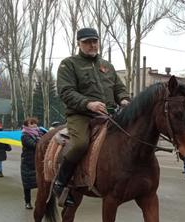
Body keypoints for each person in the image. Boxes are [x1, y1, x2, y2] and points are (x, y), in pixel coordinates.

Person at [55, 27, 130, 207]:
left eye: (94, 41)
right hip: (81, 115)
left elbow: (118, 88)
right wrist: (88, 103)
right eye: (87, 42)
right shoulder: (69, 64)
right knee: (80, 143)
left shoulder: (107, 66)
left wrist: (125, 99)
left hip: (109, 114)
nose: (92, 45)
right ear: (79, 44)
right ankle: (60, 183)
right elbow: (66, 91)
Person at [21, 118, 43, 209]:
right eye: (31, 123)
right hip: (28, 162)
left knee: (41, 183)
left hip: (39, 161)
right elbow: (34, 145)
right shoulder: (25, 136)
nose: (34, 125)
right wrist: (41, 140)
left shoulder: (40, 133)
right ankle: (28, 202)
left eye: (35, 123)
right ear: (26, 125)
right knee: (27, 184)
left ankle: (41, 201)